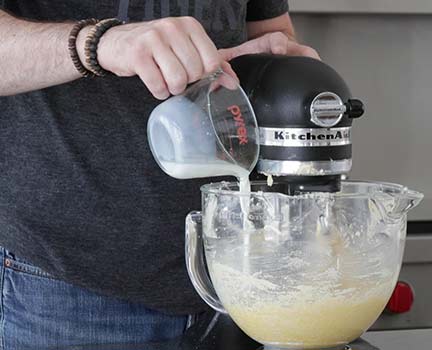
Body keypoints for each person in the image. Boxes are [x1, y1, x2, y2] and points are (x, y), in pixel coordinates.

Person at [0, 1, 318, 348]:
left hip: (238, 278)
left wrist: (275, 60)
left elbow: (271, 31)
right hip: (68, 292)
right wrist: (98, 43)